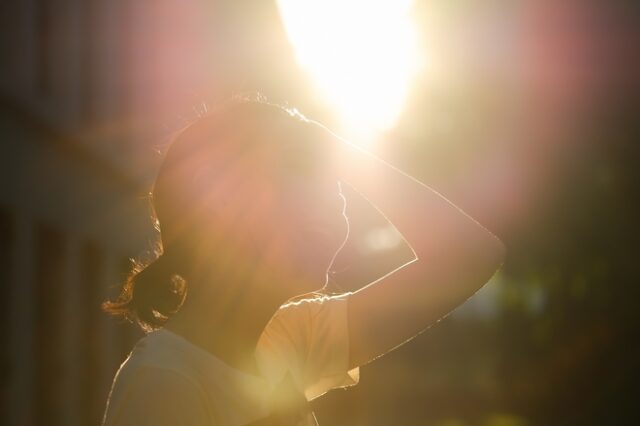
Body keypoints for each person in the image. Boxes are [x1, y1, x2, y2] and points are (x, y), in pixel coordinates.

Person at [101, 99, 505, 425]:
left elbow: (472, 255)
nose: (337, 202)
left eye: (332, 182)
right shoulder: (164, 382)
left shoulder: (286, 338)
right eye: (299, 170)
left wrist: (332, 144)